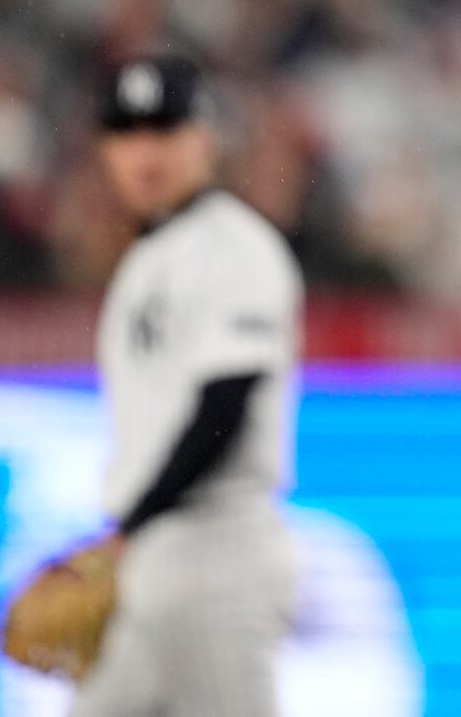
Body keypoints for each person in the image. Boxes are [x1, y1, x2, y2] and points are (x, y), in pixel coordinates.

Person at [75, 53, 301, 716]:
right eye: (128, 134)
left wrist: (133, 519)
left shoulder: (235, 244)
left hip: (217, 550)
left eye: (165, 131)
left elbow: (223, 406)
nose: (146, 153)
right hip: (152, 556)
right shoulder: (148, 256)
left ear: (206, 137)